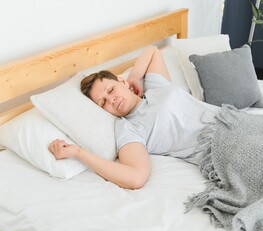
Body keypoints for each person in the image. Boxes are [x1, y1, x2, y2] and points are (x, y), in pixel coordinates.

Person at [48, 45, 219, 189]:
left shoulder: (155, 87)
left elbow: (152, 51)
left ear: (122, 82)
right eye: (103, 103)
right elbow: (136, 177)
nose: (111, 100)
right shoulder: (128, 128)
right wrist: (79, 153)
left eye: (110, 90)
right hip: (220, 147)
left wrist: (134, 77)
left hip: (231, 120)